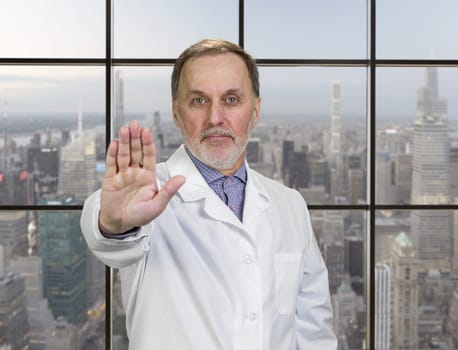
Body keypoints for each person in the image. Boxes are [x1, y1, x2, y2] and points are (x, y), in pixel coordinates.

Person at [80, 39, 337, 350]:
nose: (216, 118)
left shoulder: (290, 205)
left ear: (255, 112)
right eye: (199, 101)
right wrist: (113, 222)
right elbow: (106, 238)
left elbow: (314, 332)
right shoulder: (146, 194)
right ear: (176, 113)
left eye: (231, 99)